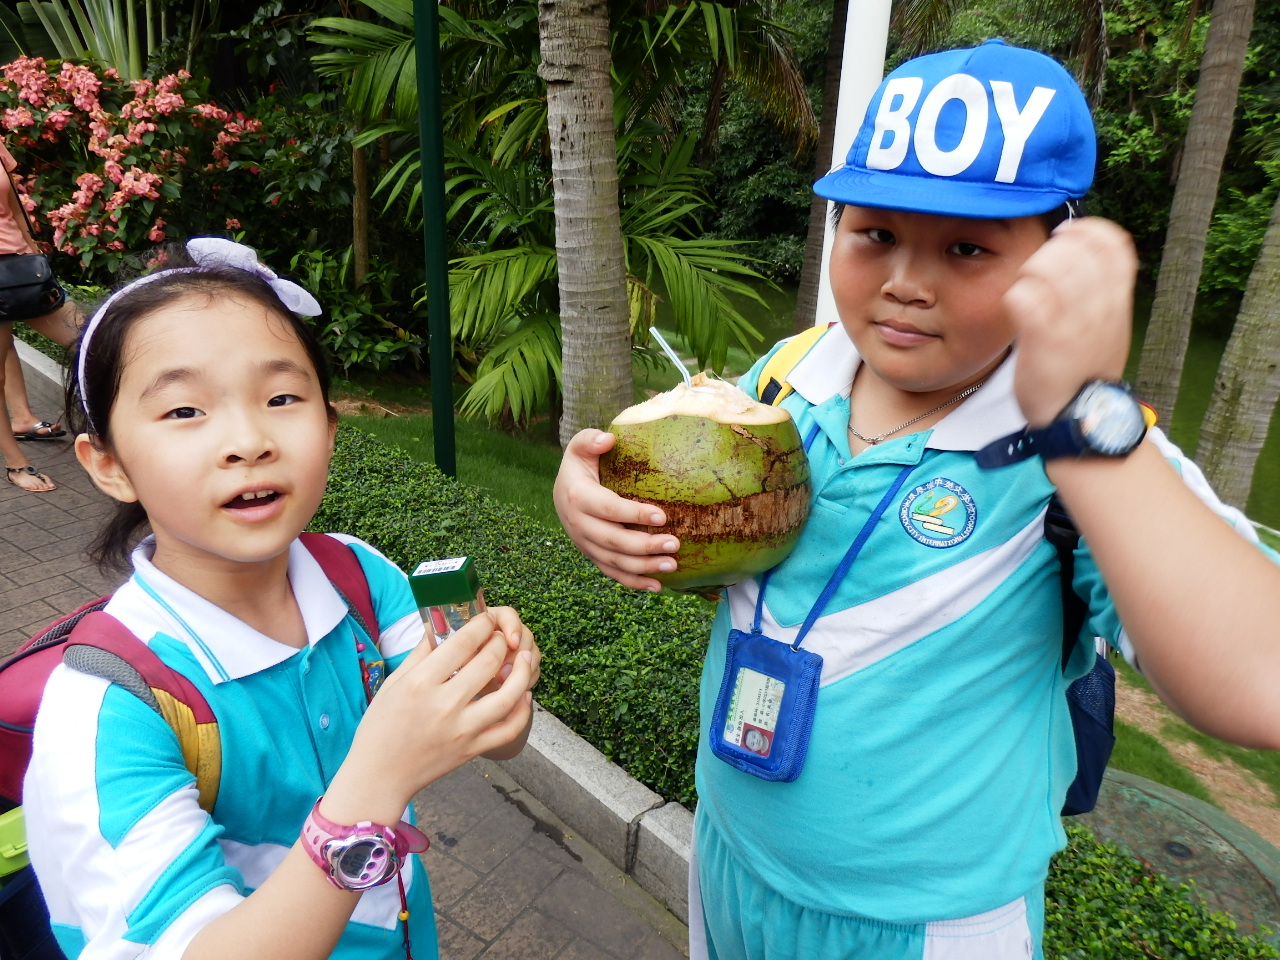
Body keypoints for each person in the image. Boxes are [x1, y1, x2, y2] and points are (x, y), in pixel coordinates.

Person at [553, 40, 1276, 960]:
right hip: (732, 861)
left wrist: (1081, 418)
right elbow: (714, 542)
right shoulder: (784, 379)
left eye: (967, 248)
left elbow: (1260, 682)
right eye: (876, 234)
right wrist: (591, 493)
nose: (906, 282)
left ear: (1054, 265)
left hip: (928, 926)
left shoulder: (1086, 450)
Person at [23, 237, 541, 960]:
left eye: (281, 398)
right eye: (184, 410)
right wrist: (378, 779)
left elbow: (500, 735)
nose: (248, 440)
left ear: (329, 428)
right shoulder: (109, 706)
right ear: (109, 465)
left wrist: (497, 682)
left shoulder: (358, 575)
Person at [1, 138, 85, 491]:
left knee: (92, 339)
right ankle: (16, 465)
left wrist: (32, 250)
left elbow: (13, 206)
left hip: (21, 269)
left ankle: (23, 419)